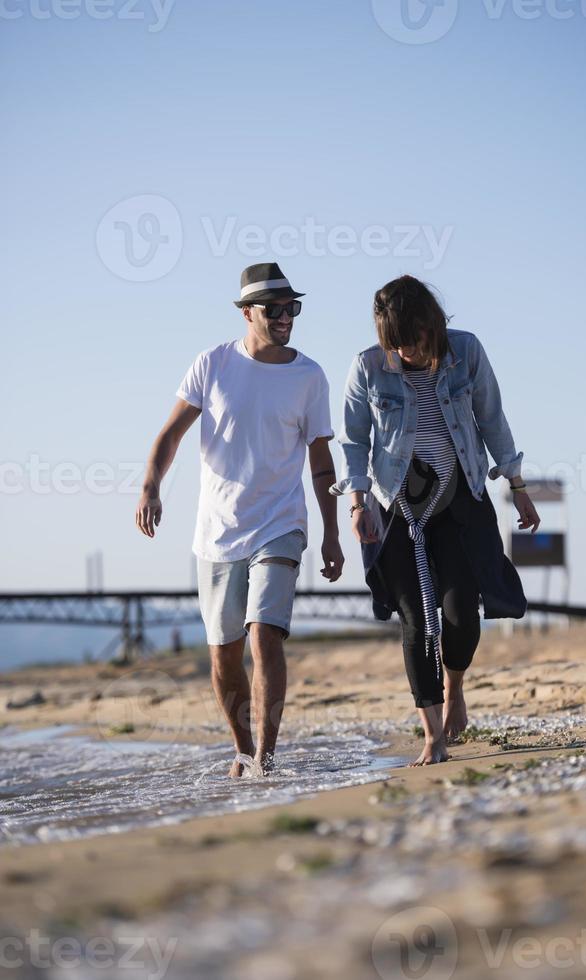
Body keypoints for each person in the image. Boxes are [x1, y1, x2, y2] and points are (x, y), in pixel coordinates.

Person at [136, 262, 344, 776]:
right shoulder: (212, 365)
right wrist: (150, 486)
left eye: (292, 308)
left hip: (281, 524)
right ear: (247, 312)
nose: (285, 317)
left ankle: (267, 760)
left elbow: (321, 462)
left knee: (263, 633)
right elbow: (170, 434)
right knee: (224, 656)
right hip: (218, 533)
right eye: (274, 309)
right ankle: (243, 750)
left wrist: (333, 532)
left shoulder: (309, 376)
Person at [330, 275, 539, 767]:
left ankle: (455, 684)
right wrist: (357, 504)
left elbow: (492, 419)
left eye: (413, 339)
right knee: (415, 618)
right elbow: (354, 440)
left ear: (433, 324)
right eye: (395, 342)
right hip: (394, 512)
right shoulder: (367, 367)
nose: (405, 351)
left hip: (459, 501)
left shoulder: (466, 352)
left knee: (461, 616)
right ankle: (432, 736)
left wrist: (518, 485)